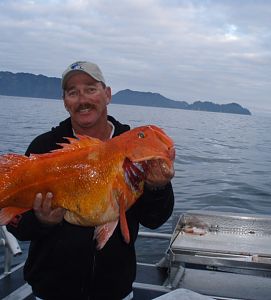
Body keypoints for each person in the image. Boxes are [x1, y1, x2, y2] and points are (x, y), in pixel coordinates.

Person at [7, 61, 175, 300]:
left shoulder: (132, 147)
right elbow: (19, 226)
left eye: (90, 88)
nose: (82, 98)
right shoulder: (43, 147)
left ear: (107, 94)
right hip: (51, 291)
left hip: (115, 291)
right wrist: (41, 221)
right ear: (65, 101)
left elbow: (155, 220)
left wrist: (157, 187)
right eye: (72, 92)